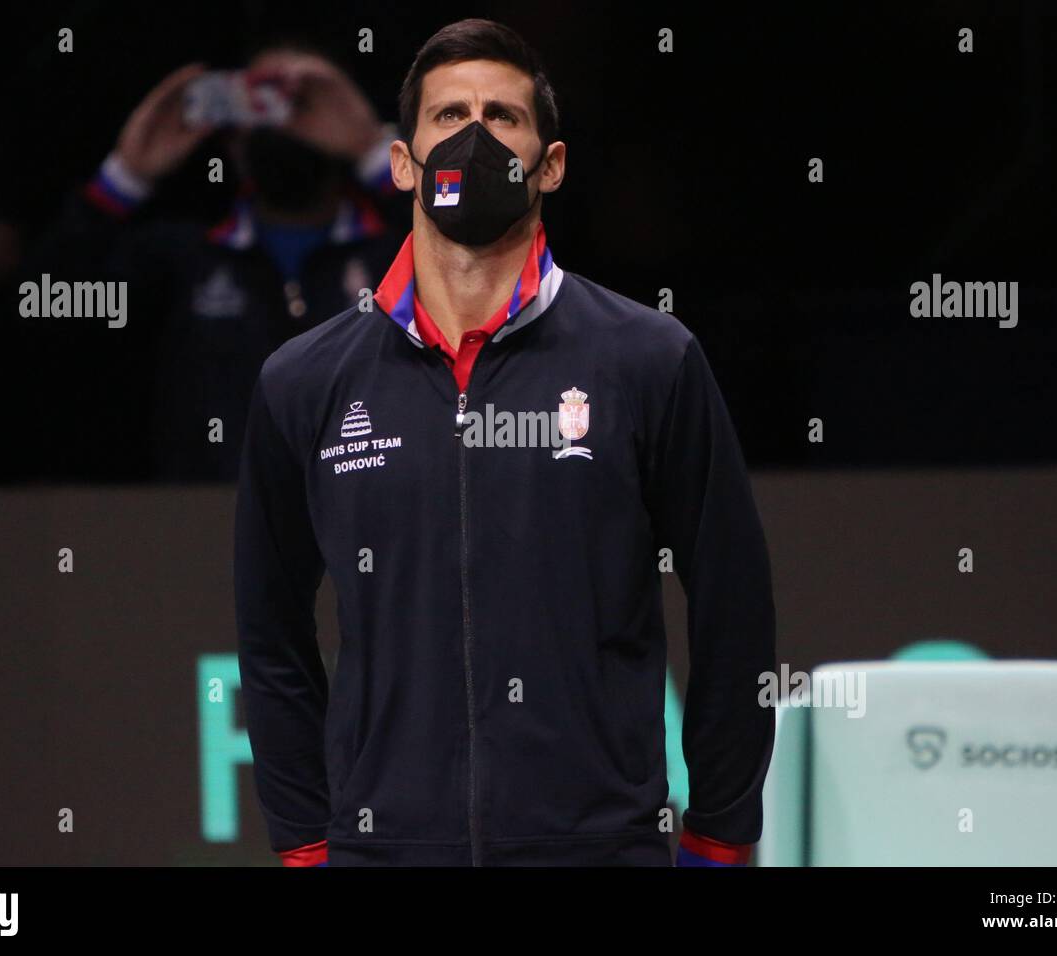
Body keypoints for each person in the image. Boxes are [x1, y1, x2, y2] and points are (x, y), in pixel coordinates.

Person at [235, 18, 776, 866]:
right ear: (403, 164)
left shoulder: (646, 359)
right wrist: (306, 842)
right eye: (449, 118)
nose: (476, 137)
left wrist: (720, 833)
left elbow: (733, 605)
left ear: (550, 164)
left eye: (503, 117)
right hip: (387, 849)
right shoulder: (305, 382)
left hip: (601, 846)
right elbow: (270, 633)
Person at [20, 41, 404, 480]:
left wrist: (376, 153)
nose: (282, 121)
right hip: (204, 527)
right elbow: (37, 312)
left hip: (368, 529)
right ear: (232, 136)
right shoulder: (182, 259)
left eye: (301, 103)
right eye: (259, 101)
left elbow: (486, 272)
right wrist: (123, 180)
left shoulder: (401, 256)